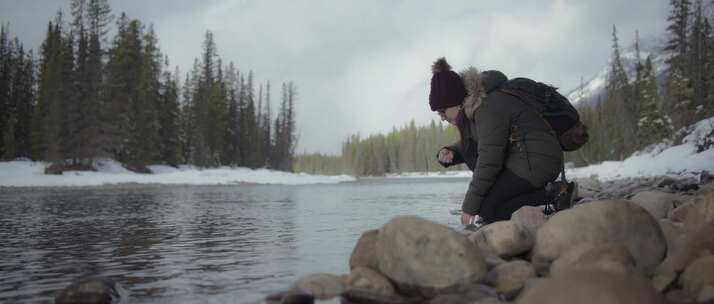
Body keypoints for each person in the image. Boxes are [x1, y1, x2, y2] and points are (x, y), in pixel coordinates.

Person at [428, 57, 577, 225]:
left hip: (537, 161)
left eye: (442, 111)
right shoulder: (478, 106)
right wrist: (452, 151)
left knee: (489, 209)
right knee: (485, 203)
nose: (442, 118)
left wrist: (469, 207)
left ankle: (555, 193)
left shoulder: (488, 107)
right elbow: (480, 141)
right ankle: (546, 193)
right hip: (526, 158)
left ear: (455, 101)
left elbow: (489, 160)